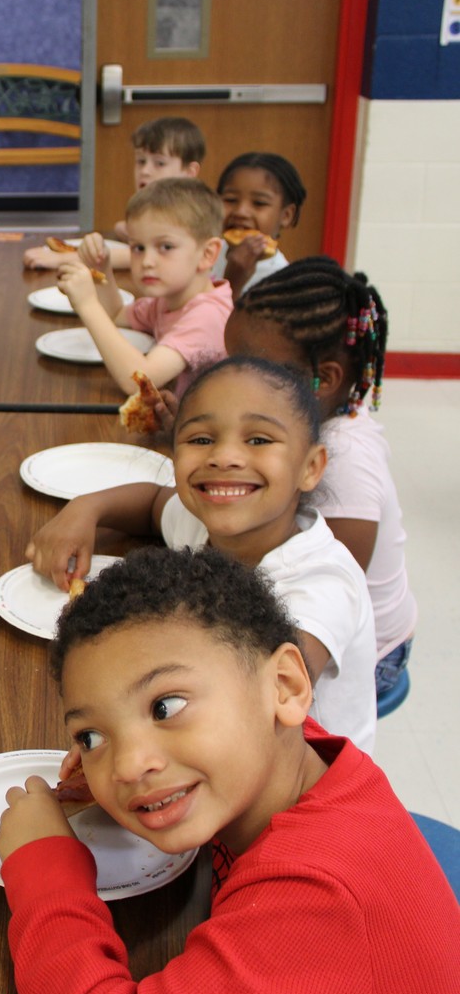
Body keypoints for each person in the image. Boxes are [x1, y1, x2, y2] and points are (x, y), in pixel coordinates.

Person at [0, 545, 460, 994]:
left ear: (285, 686)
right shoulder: (294, 756)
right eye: (90, 736)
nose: (129, 766)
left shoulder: (317, 898)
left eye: (166, 707)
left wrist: (43, 867)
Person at [27, 356, 377, 751]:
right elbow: (152, 502)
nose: (223, 457)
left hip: (299, 784)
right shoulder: (202, 520)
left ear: (310, 467)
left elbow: (252, 697)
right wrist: (85, 509)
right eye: (201, 440)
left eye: (258, 440)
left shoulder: (320, 584)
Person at [225, 256, 417, 696]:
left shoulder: (344, 458)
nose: (229, 379)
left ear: (324, 379)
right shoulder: (312, 412)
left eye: (250, 368)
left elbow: (332, 585)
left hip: (367, 654)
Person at [56, 177, 232, 397]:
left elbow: (139, 383)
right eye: (138, 247)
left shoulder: (207, 316)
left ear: (207, 254)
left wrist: (87, 304)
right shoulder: (167, 302)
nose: (147, 261)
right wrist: (101, 267)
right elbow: (116, 315)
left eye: (165, 247)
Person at [23, 116, 205, 272]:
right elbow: (125, 229)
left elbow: (135, 256)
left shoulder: (187, 210)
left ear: (189, 172)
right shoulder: (154, 207)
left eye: (159, 163)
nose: (145, 171)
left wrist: (64, 260)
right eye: (141, 161)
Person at [212, 151, 306, 298]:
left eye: (259, 203)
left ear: (286, 215)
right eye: (230, 199)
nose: (241, 212)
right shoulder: (202, 253)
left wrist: (233, 282)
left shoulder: (283, 282)